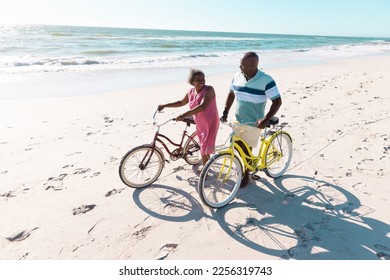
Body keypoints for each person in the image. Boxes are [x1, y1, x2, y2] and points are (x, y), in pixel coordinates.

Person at [220, 52, 282, 187]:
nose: (239, 67)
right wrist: (225, 111)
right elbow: (231, 94)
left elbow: (277, 101)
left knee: (247, 149)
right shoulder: (237, 76)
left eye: (242, 65)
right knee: (237, 145)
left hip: (254, 122)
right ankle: (244, 168)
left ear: (253, 65)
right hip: (238, 119)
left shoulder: (266, 80)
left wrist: (265, 119)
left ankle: (246, 173)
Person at [158, 69, 219, 170]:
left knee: (204, 147)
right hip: (199, 120)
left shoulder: (209, 90)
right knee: (203, 144)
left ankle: (205, 172)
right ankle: (198, 157)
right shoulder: (191, 91)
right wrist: (165, 105)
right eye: (198, 80)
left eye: (203, 79)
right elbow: (180, 103)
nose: (202, 81)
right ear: (192, 82)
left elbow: (203, 106)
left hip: (210, 121)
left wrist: (184, 114)